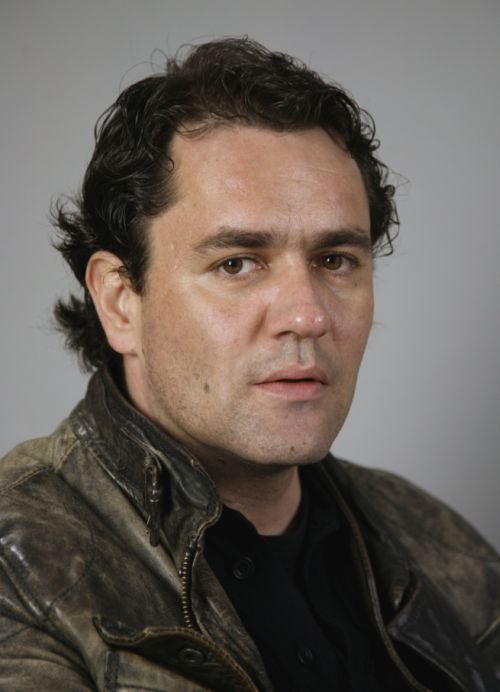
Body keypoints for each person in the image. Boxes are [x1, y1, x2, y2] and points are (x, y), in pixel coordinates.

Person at [0, 37, 498, 692]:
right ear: (120, 302)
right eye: (236, 263)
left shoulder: (439, 545)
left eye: (334, 260)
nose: (308, 316)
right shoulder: (20, 568)